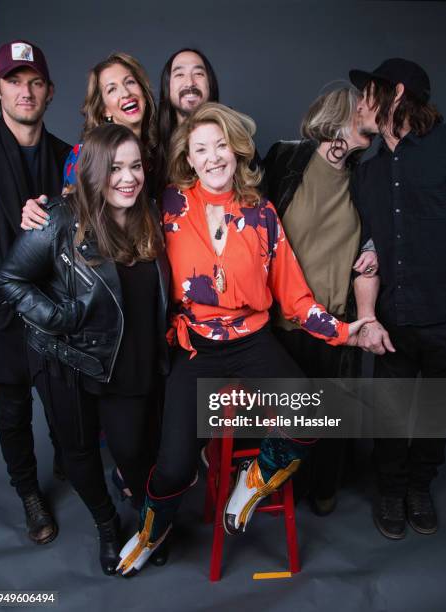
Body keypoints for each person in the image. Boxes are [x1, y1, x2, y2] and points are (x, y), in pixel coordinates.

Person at [116, 102, 373, 576]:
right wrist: (57, 207)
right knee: (173, 466)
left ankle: (254, 479)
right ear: (188, 159)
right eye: (201, 149)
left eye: (221, 146)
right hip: (195, 345)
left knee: (315, 416)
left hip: (253, 341)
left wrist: (343, 332)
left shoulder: (263, 214)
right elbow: (112, 201)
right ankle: (152, 532)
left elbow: (294, 296)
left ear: (235, 151)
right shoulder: (169, 204)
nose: (213, 157)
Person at [0, 124, 170, 575]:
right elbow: (10, 278)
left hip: (127, 362)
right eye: (115, 168)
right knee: (78, 454)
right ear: (93, 172)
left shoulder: (149, 214)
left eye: (135, 166)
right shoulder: (58, 218)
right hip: (66, 362)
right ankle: (108, 525)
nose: (128, 177)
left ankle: (150, 527)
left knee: (133, 452)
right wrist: (57, 318)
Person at [264, 85, 377, 515]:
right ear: (341, 114)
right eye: (365, 110)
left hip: (336, 322)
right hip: (282, 319)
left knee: (330, 415)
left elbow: (377, 234)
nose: (373, 116)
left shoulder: (367, 175)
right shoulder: (284, 159)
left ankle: (324, 483)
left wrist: (374, 251)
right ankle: (277, 483)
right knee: (283, 417)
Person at [350, 58, 446, 539]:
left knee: (434, 413)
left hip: (444, 318)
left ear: (397, 92)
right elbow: (370, 243)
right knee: (389, 413)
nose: (361, 102)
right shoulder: (368, 174)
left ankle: (419, 488)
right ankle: (389, 490)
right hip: (394, 319)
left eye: (369, 92)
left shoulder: (444, 149)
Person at [0, 40, 71, 545]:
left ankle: (69, 458)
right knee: (13, 409)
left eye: (35, 81)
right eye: (14, 81)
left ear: (50, 91)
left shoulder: (69, 157)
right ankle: (28, 493)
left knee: (67, 403)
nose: (26, 91)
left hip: (59, 313)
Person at [20, 51, 157, 231]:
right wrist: (39, 213)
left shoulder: (156, 152)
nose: (125, 93)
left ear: (143, 92)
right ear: (104, 110)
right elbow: (70, 219)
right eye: (112, 89)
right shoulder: (85, 155)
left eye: (130, 82)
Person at [156, 48, 219, 195]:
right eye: (179, 74)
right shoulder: (153, 147)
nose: (190, 82)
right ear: (167, 87)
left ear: (210, 84)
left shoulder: (235, 137)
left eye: (198, 74)